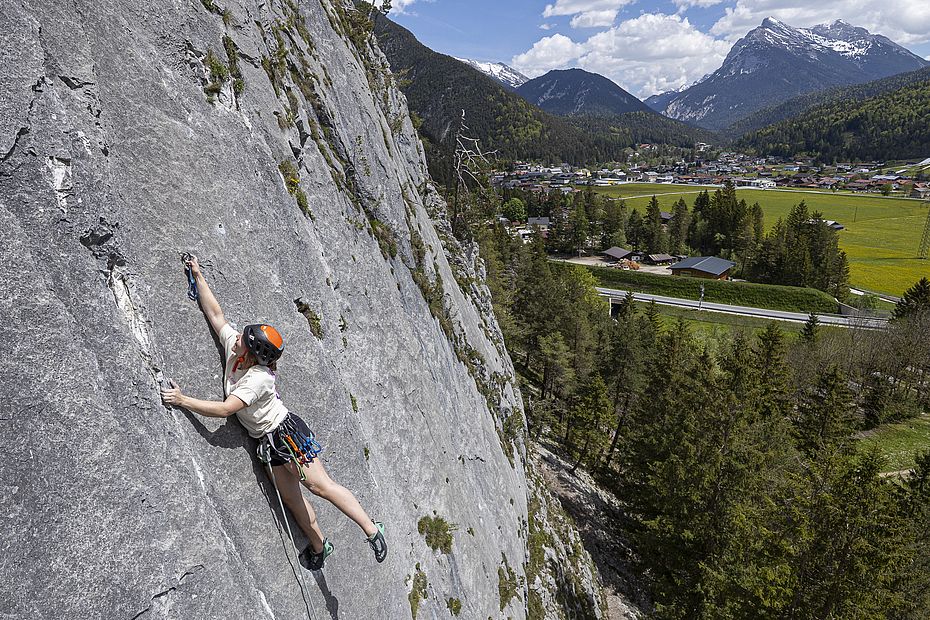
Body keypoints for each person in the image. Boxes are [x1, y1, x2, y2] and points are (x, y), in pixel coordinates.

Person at [161, 256, 386, 570]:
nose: (236, 336)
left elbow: (227, 409)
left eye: (243, 339)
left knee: (320, 486)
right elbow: (215, 313)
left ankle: (372, 529)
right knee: (292, 498)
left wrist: (183, 400)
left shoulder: (257, 379)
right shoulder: (237, 349)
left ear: (252, 354)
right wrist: (198, 275)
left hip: (286, 435)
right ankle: (321, 546)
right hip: (266, 441)